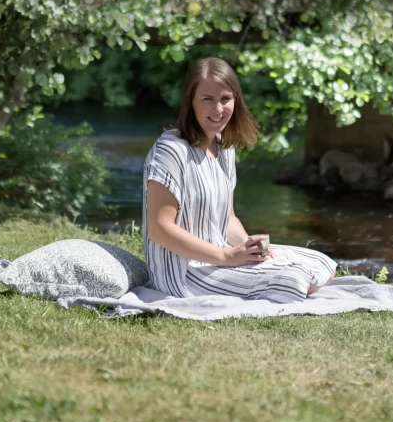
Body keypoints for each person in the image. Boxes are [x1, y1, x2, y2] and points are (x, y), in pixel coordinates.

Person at [143, 57, 338, 303]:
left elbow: (228, 218)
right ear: (190, 102)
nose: (218, 109)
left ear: (236, 100)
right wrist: (226, 257)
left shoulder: (224, 148)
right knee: (295, 280)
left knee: (323, 263)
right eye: (207, 99)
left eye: (225, 99)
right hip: (184, 272)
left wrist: (249, 248)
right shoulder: (170, 150)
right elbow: (159, 230)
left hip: (221, 256)